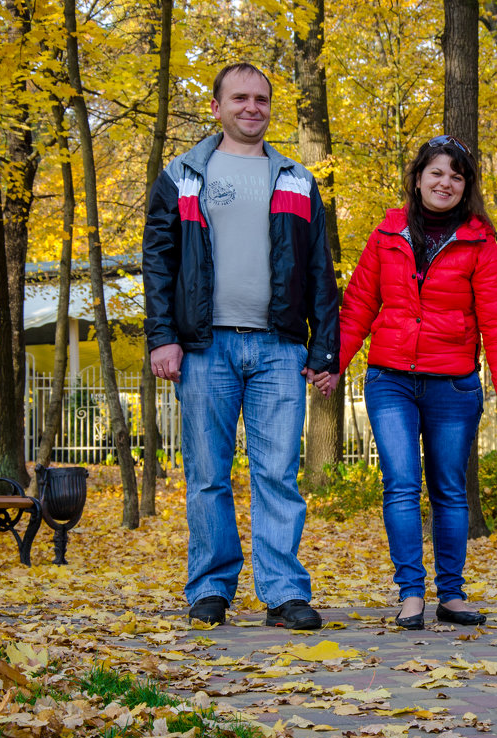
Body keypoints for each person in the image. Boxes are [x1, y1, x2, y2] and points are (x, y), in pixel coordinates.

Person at [142, 63, 340, 629]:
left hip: (280, 348)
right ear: (216, 106)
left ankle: (283, 594)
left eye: (261, 99)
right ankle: (210, 589)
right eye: (240, 98)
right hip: (204, 347)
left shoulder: (297, 179)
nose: (251, 107)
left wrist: (323, 348)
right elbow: (159, 262)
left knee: (277, 474)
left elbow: (320, 269)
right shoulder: (181, 175)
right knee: (208, 473)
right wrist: (163, 337)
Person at [335, 134, 497, 630]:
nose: (446, 182)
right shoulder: (387, 234)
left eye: (456, 175)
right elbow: (358, 304)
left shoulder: (480, 241)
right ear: (418, 177)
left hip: (454, 385)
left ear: (467, 187)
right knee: (400, 485)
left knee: (449, 489)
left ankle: (453, 593)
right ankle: (410, 593)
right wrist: (334, 362)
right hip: (391, 380)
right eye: (437, 172)